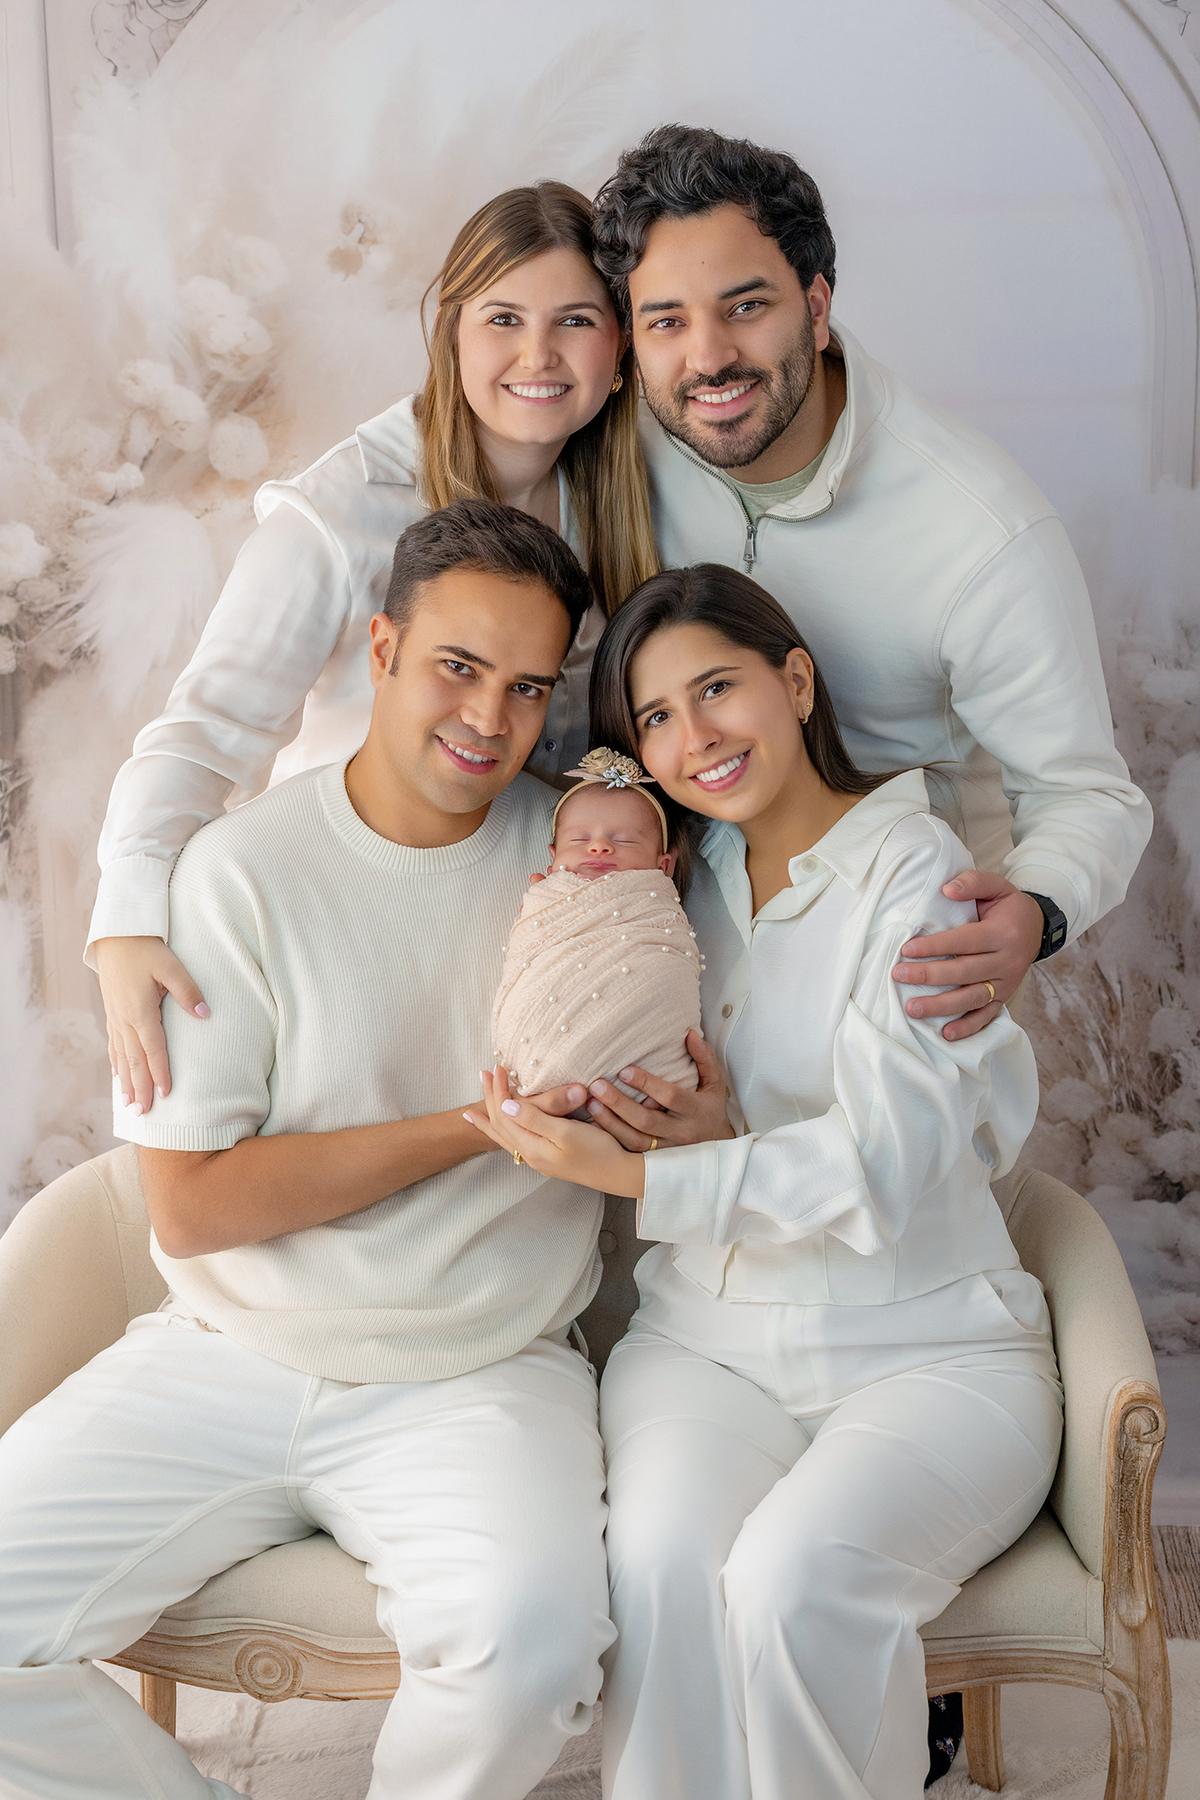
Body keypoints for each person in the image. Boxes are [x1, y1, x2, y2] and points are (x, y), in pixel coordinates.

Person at [0, 501, 615, 1800]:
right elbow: (191, 1207)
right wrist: (472, 1128)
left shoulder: (584, 866)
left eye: (527, 689)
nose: (489, 722)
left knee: (535, 1651)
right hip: (230, 1352)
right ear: (382, 649)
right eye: (458, 668)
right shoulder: (238, 873)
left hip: (481, 1366)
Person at [465, 564, 1065, 1800]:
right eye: (658, 721)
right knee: (665, 1569)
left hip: (929, 1347)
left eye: (718, 688)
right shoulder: (684, 889)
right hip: (709, 1346)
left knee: (792, 1581)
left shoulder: (920, 877)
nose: (697, 739)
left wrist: (643, 1173)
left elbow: (888, 1166)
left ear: (796, 682)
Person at [91, 180, 658, 1115]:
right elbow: (206, 727)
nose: (538, 355)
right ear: (451, 332)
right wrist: (123, 925)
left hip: (515, 926)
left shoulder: (618, 494)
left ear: (621, 344)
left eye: (576, 321)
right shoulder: (342, 510)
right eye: (503, 318)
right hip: (341, 920)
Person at [590, 123, 1152, 1046]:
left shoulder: (983, 532)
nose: (708, 357)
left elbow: (1087, 796)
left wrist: (1034, 913)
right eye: (667, 322)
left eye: (746, 306)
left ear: (816, 306)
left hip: (881, 987)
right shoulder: (626, 438)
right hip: (674, 957)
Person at [491, 747, 701, 1098]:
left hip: (650, 1073)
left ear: (664, 866)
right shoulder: (545, 901)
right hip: (538, 1074)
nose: (600, 847)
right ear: (553, 856)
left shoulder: (657, 913)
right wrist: (541, 916)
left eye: (624, 840)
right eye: (580, 839)